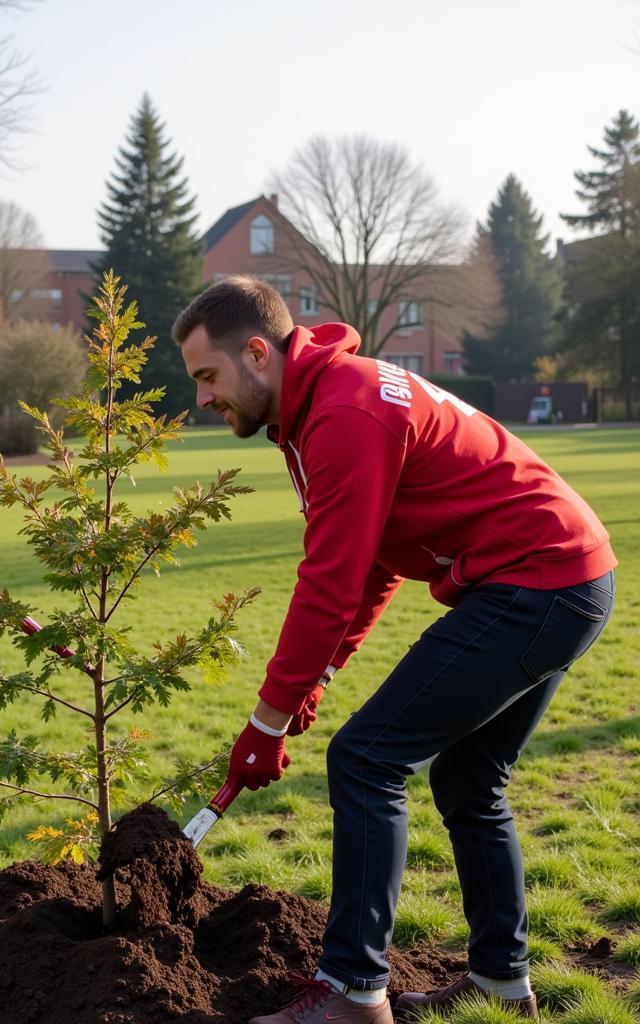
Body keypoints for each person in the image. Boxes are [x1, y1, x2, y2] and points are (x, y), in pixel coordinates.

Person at [171, 277, 616, 1024]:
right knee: (471, 779)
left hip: (535, 581)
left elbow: (328, 581)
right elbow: (375, 560)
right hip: (564, 576)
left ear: (257, 352)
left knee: (366, 759)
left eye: (206, 376)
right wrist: (321, 674)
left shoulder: (344, 412)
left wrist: (268, 720)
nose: (203, 397)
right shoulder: (323, 397)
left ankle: (352, 992)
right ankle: (502, 983)